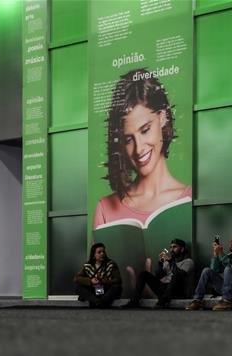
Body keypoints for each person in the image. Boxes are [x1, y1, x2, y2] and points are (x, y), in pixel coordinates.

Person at [93, 69, 192, 228]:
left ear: (162, 117)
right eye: (128, 139)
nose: (138, 149)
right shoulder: (105, 209)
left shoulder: (191, 200)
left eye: (145, 130)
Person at [186, 236, 232, 311]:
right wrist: (216, 254)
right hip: (227, 289)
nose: (231, 243)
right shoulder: (228, 256)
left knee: (228, 269)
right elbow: (214, 270)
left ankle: (227, 301)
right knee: (206, 270)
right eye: (230, 241)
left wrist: (221, 253)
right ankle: (197, 301)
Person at [124, 238, 194, 308]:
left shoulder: (188, 262)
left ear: (182, 249)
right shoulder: (169, 261)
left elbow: (180, 275)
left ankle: (162, 301)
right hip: (165, 289)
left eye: (175, 247)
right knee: (144, 274)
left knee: (175, 276)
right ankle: (135, 301)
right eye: (171, 247)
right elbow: (158, 276)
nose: (171, 250)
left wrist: (170, 262)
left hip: (178, 291)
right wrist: (160, 263)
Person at [74, 243, 122, 308]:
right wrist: (91, 281)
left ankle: (97, 301)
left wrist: (102, 281)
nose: (102, 254)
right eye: (99, 252)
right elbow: (77, 278)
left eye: (103, 252)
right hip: (94, 290)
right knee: (77, 287)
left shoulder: (111, 264)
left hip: (105, 290)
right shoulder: (88, 265)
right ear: (94, 255)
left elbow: (118, 280)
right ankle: (97, 301)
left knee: (117, 287)